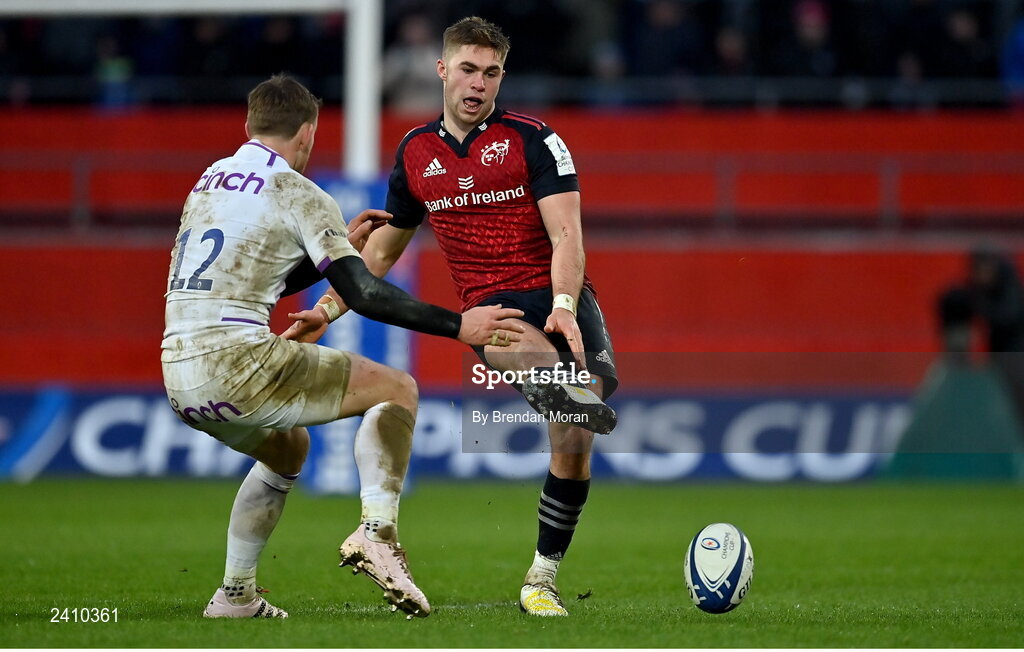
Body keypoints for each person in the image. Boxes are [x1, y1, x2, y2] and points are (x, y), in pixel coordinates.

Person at [160, 74, 528, 620]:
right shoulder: (297, 191)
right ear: (308, 132)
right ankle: (377, 533)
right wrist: (461, 326)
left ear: (248, 125)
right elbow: (366, 293)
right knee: (396, 387)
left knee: (288, 448)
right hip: (236, 361)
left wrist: (335, 252)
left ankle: (235, 595)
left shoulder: (210, 180)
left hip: (177, 371)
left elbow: (255, 275)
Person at [285, 17, 619, 617]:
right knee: (523, 353)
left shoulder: (535, 140)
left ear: (501, 78)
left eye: (491, 73)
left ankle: (541, 578)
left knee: (573, 448)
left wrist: (565, 307)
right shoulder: (416, 152)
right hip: (494, 308)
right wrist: (329, 307)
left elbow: (567, 234)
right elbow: (383, 249)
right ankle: (562, 391)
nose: (478, 84)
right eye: (467, 69)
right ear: (442, 70)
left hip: (561, 299)